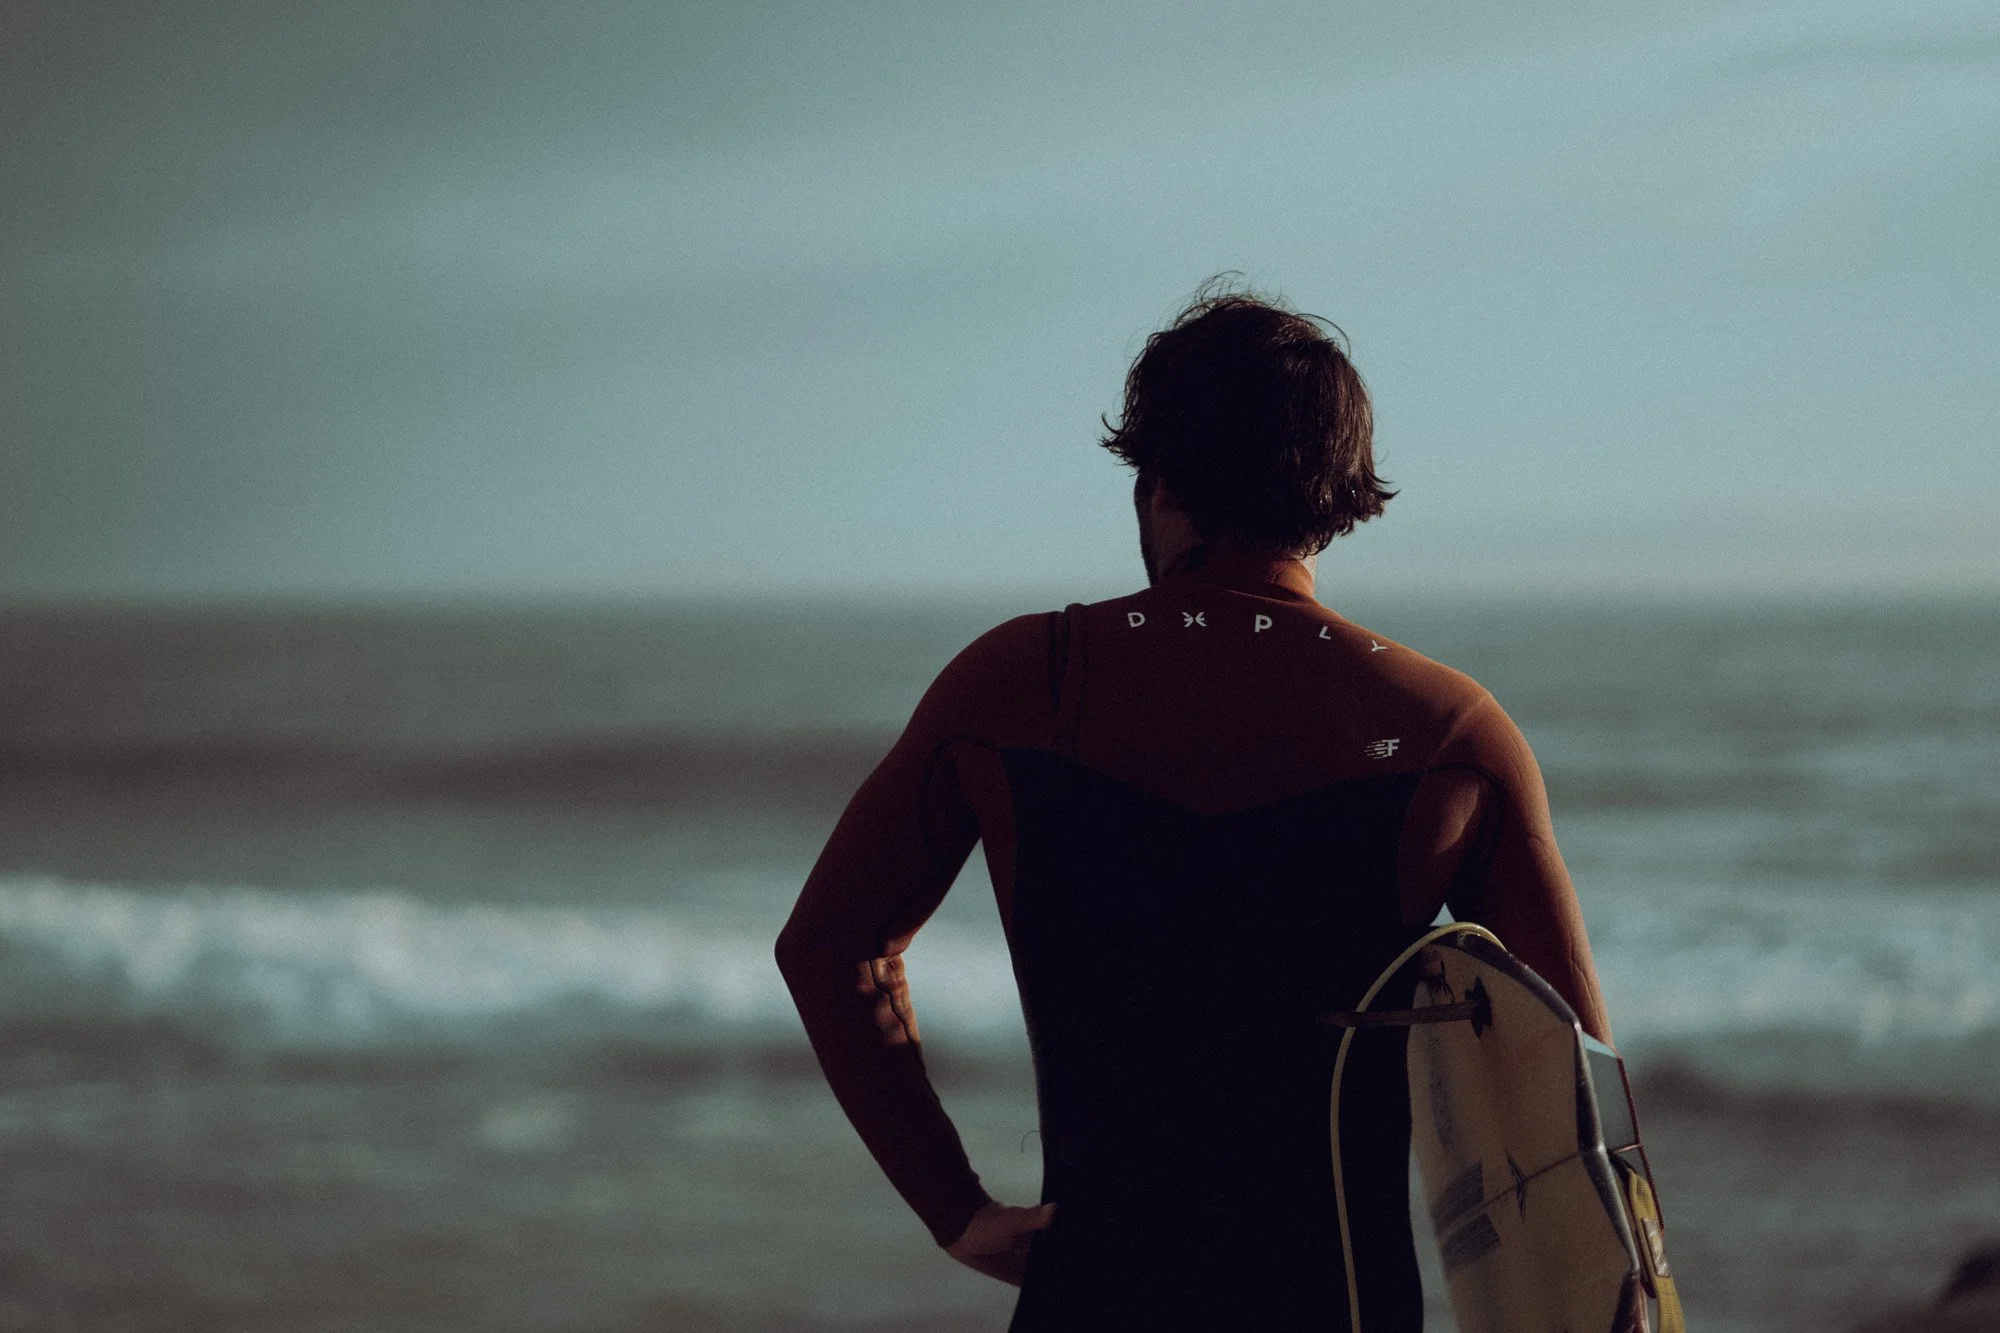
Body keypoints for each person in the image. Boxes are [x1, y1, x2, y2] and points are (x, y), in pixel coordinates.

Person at [775, 284, 1615, 1330]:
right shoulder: (1451, 731)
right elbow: (1569, 1073)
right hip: (1341, 1305)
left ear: (1157, 481)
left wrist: (954, 1207)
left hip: (1093, 1295)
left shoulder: (1018, 685)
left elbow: (829, 946)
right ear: (1334, 496)